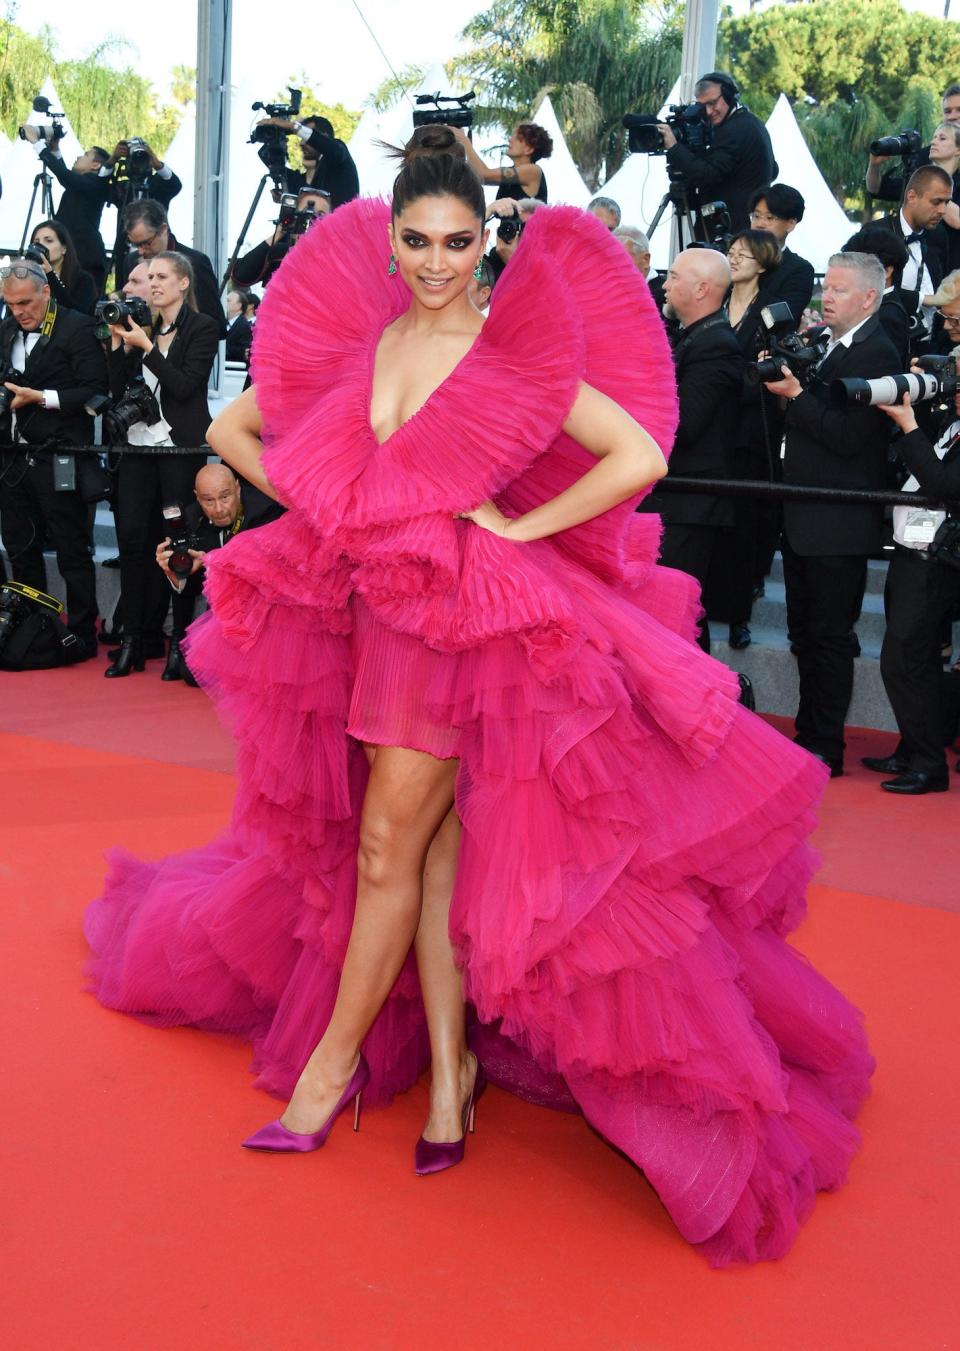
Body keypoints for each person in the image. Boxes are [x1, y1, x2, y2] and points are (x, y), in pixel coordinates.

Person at [84, 127, 874, 1269]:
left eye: (458, 240)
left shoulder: (506, 352)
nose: (436, 260)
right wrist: (337, 507)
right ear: (390, 237)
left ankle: (327, 1075)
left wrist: (510, 524)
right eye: (415, 239)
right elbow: (233, 427)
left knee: (382, 854)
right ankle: (452, 1082)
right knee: (435, 860)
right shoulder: (375, 341)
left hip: (465, 635)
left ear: (486, 237)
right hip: (381, 615)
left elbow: (633, 455)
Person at [763, 252, 900, 776]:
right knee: (807, 633)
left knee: (829, 637)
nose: (827, 298)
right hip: (804, 516)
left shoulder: (877, 353)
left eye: (839, 290)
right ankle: (809, 732)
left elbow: (848, 438)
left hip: (837, 522)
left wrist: (797, 396)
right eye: (828, 287)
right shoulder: (828, 345)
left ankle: (825, 744)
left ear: (869, 297)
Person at [102, 252, 220, 679]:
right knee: (133, 543)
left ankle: (180, 646)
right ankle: (134, 639)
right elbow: (117, 390)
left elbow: (185, 387)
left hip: (178, 450)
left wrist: (148, 348)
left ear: (183, 283)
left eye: (161, 276)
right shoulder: (141, 328)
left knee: (179, 546)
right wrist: (119, 345)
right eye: (148, 277)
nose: (151, 284)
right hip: (137, 450)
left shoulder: (203, 328)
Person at [0, 259, 108, 660]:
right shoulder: (7, 328)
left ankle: (82, 631)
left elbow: (96, 390)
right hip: (11, 458)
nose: (19, 311)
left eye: (26, 302)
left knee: (71, 547)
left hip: (60, 455)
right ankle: (31, 624)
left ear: (46, 292)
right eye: (10, 304)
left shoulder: (77, 327)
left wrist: (41, 398)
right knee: (20, 547)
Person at [638, 247, 743, 652]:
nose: (664, 284)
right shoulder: (698, 337)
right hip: (676, 502)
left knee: (676, 620)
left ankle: (695, 707)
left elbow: (682, 425)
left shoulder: (716, 345)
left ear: (701, 288)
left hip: (689, 505)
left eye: (675, 277)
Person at [864, 384, 960, 793]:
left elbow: (943, 486)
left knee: (903, 663)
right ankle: (913, 749)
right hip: (912, 555)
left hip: (933, 566)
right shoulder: (952, 423)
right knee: (913, 661)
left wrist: (909, 426)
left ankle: (928, 763)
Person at [703, 229, 783, 650]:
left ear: (763, 263)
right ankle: (706, 609)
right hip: (712, 430)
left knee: (743, 529)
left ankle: (738, 615)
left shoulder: (770, 313)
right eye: (730, 252)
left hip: (751, 432)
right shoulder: (712, 302)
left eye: (742, 255)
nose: (732, 259)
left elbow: (768, 374)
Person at [154, 463, 285, 680]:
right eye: (208, 500)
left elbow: (270, 571)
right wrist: (175, 573)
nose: (218, 509)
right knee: (192, 674)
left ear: (238, 488)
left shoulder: (265, 510)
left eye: (225, 497)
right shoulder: (189, 520)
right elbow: (192, 587)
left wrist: (212, 560)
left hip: (270, 613)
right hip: (226, 619)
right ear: (197, 497)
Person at [658, 73, 777, 236]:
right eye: (702, 107)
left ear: (730, 96)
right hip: (741, 229)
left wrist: (674, 147)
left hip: (729, 232)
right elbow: (773, 170)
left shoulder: (734, 129)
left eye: (713, 103)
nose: (708, 111)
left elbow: (708, 174)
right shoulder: (751, 123)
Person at [115, 199, 227, 336]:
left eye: (146, 243)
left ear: (163, 229)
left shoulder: (195, 263)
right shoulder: (130, 261)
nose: (141, 251)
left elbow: (217, 324)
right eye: (135, 244)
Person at [873, 164, 952, 342]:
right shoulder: (876, 233)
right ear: (912, 196)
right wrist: (923, 299)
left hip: (930, 344)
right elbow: (868, 291)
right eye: (936, 201)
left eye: (946, 202)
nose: (943, 210)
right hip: (886, 341)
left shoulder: (939, 235)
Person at [29, 137, 112, 292]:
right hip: (76, 254)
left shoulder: (94, 183)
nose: (78, 157)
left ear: (96, 165)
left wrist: (37, 143)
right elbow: (67, 177)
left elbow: (64, 176)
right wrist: (55, 149)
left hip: (86, 257)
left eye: (86, 155)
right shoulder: (81, 183)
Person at [866, 83, 960, 205]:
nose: (952, 116)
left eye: (959, 110)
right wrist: (874, 165)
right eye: (947, 111)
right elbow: (878, 189)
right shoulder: (927, 155)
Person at [231, 188, 332, 288]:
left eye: (320, 215)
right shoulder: (279, 253)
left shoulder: (334, 258)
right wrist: (279, 232)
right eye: (306, 212)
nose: (312, 218)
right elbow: (240, 276)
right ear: (294, 216)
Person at [254, 114, 360, 209]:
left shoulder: (338, 153)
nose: (301, 143)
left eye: (305, 137)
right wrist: (277, 136)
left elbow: (332, 149)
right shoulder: (306, 182)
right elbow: (270, 160)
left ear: (324, 136)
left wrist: (292, 126)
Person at [842, 226, 912, 366]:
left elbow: (880, 366)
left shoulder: (888, 315)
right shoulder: (877, 306)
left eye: (857, 265)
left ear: (886, 271)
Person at [747, 184, 815, 322]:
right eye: (756, 216)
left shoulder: (800, 270)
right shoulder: (733, 259)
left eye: (770, 218)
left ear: (791, 223)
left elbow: (776, 319)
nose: (760, 224)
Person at [449, 122, 552, 203]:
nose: (510, 140)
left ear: (529, 149)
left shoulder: (533, 170)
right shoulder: (516, 172)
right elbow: (479, 177)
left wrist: (464, 140)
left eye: (517, 139)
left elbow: (483, 175)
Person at [29, 220, 98, 316]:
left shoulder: (83, 280)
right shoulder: (30, 278)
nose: (41, 246)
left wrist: (50, 275)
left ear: (64, 248)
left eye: (48, 241)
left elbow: (81, 315)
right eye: (36, 242)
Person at [225, 290, 254, 364]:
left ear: (239, 306)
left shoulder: (244, 326)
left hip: (234, 370)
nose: (224, 302)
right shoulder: (222, 322)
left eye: (228, 300)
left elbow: (243, 352)